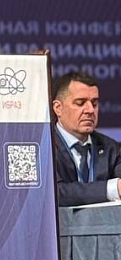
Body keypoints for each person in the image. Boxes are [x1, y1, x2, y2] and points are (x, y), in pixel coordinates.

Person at [52, 70, 121, 207]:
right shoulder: (43, 147)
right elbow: (55, 193)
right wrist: (112, 188)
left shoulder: (111, 149)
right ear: (58, 108)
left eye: (94, 103)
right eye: (80, 103)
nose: (90, 110)